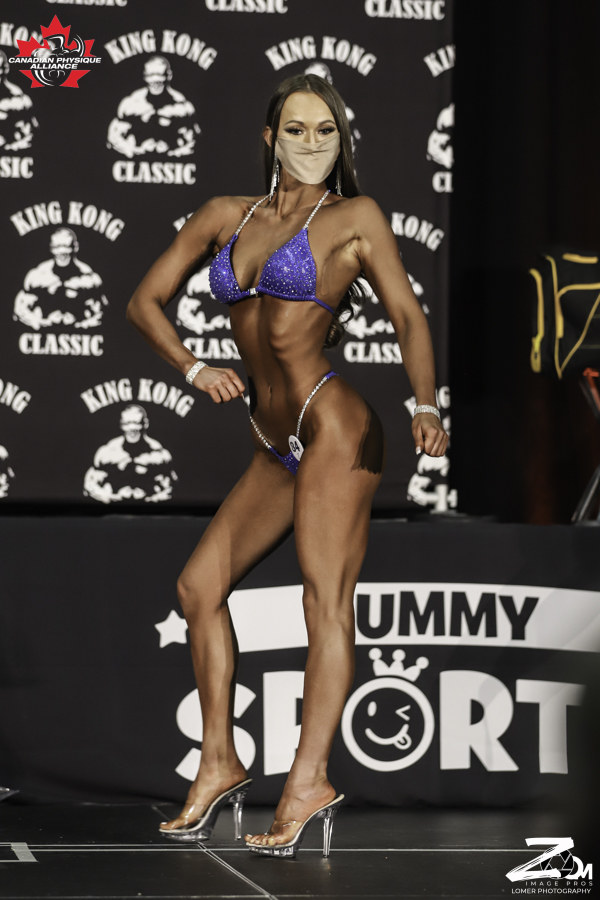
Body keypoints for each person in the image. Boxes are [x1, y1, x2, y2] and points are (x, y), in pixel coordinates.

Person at [126, 73, 448, 859]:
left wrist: (426, 405)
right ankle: (219, 761)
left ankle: (309, 782)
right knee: (198, 587)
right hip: (273, 440)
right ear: (271, 138)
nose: (312, 143)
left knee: (323, 602)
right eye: (297, 130)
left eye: (326, 131)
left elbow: (407, 315)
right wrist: (193, 367)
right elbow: (143, 301)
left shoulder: (354, 218)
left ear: (342, 141)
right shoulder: (225, 216)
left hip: (333, 425)